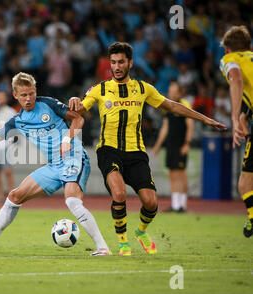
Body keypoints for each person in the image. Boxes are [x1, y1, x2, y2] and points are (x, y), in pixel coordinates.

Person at [68, 42, 226, 256]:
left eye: (121, 62)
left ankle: (140, 232)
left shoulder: (143, 89)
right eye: (113, 62)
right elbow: (77, 111)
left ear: (130, 63)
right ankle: (123, 243)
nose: (116, 66)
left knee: (151, 203)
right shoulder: (100, 89)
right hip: (108, 150)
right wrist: (74, 102)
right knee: (119, 193)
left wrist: (205, 119)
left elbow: (172, 105)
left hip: (136, 153)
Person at [0, 72, 111, 256]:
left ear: (35, 91)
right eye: (23, 95)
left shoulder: (48, 104)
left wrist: (67, 139)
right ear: (15, 95)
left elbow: (79, 119)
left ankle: (102, 247)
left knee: (71, 200)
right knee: (14, 196)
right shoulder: (18, 120)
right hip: (54, 165)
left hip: (74, 157)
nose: (28, 98)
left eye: (31, 93)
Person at [219, 26, 253, 237]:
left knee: (245, 183)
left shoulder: (229, 59)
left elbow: (236, 77)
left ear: (227, 49)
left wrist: (234, 117)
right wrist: (245, 115)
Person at [152, 81, 194, 213]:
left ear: (180, 92)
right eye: (170, 91)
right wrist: (158, 145)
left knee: (181, 174)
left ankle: (183, 205)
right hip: (171, 145)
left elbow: (190, 125)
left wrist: (187, 143)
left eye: (174, 90)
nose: (172, 93)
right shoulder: (167, 107)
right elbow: (165, 127)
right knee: (172, 174)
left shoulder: (185, 105)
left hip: (181, 144)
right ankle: (176, 205)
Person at [0, 91, 17, 202]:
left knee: (7, 171)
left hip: (7, 144)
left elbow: (13, 127)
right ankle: (0, 194)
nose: (0, 99)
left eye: (2, 96)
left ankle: (12, 194)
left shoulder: (11, 111)